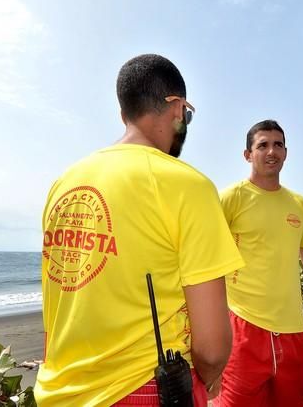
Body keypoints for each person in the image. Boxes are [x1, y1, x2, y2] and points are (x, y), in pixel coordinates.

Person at [34, 54, 244, 406]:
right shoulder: (188, 186)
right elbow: (212, 347)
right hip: (144, 391)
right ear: (177, 108)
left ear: (123, 114)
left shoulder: (63, 183)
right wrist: (203, 382)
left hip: (56, 392)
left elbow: (57, 300)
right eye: (186, 115)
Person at [217, 120, 303, 407]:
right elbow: (203, 261)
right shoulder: (230, 199)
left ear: (286, 153)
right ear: (248, 154)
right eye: (262, 145)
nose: (271, 151)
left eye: (278, 145)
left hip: (294, 335)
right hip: (242, 331)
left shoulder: (300, 205)